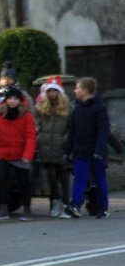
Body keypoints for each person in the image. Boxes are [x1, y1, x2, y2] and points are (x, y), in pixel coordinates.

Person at [0, 87, 37, 221]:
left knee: (23, 182)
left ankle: (27, 209)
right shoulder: (1, 115)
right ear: (6, 100)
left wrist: (27, 155)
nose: (12, 101)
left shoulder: (26, 116)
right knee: (0, 178)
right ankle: (3, 209)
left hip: (20, 154)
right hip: (3, 153)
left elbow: (30, 136)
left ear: (20, 101)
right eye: (10, 99)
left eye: (15, 99)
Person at [63, 77, 111, 219]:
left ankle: (103, 207)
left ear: (84, 90)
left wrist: (99, 150)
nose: (74, 91)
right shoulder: (77, 109)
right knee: (80, 179)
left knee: (99, 180)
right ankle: (75, 205)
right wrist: (68, 151)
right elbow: (73, 132)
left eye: (77, 88)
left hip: (95, 152)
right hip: (80, 151)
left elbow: (103, 131)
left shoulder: (99, 108)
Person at [35, 76, 71, 218]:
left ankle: (65, 204)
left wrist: (64, 140)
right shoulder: (42, 108)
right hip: (46, 147)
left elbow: (70, 128)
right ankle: (55, 201)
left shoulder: (67, 109)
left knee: (64, 178)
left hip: (61, 147)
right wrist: (39, 138)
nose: (52, 94)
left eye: (54, 91)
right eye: (49, 91)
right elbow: (37, 125)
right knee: (51, 177)